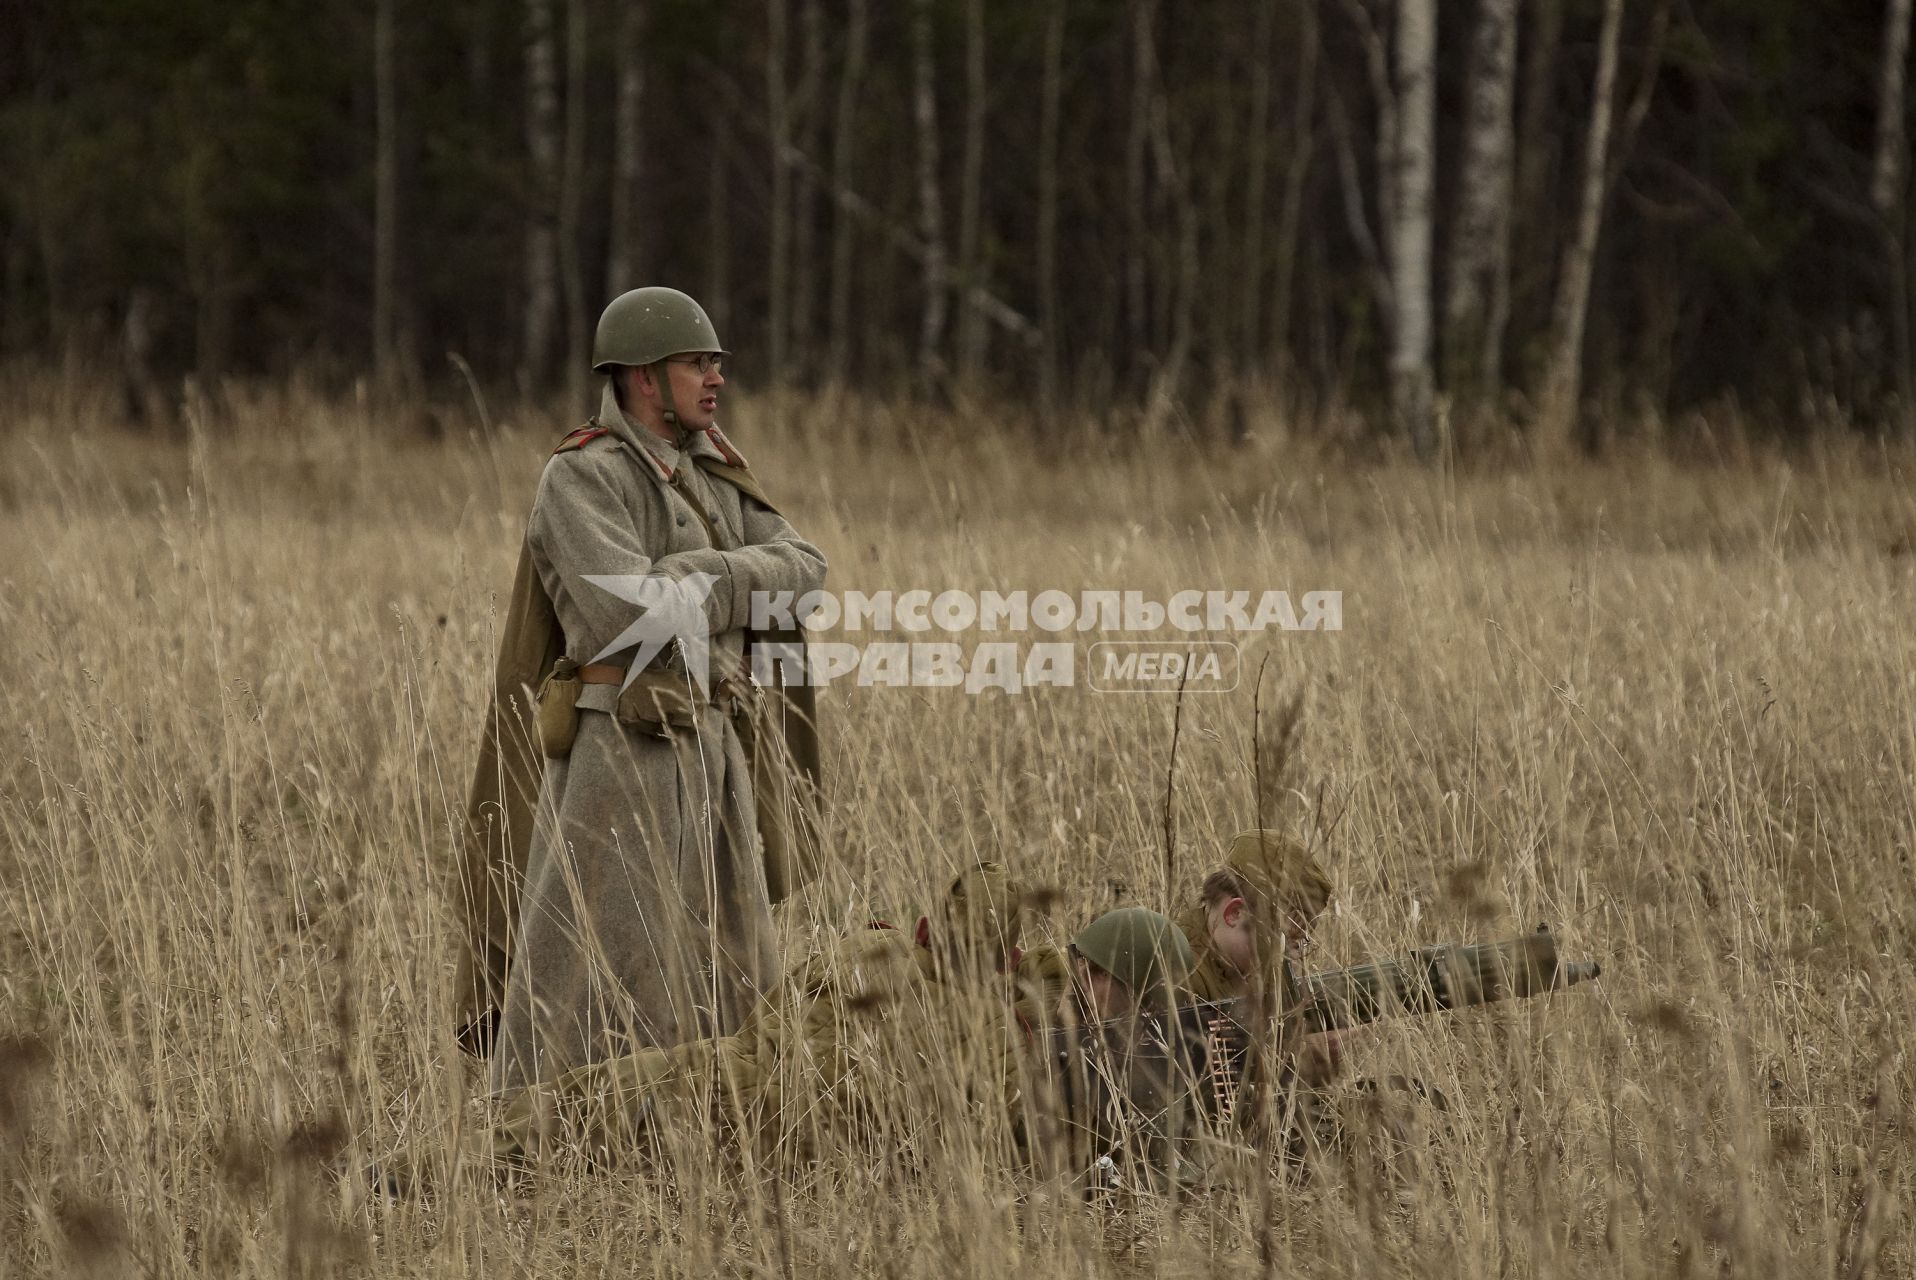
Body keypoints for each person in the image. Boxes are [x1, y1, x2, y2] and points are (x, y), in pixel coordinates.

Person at [456, 286, 829, 1093]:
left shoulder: (717, 475)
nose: (716, 378)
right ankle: (537, 1139)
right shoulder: (581, 478)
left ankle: (708, 1125)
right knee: (591, 973)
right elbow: (632, 613)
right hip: (622, 759)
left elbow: (806, 572)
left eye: (717, 363)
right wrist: (723, 587)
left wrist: (699, 572)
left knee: (732, 975)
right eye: (697, 363)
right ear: (642, 377)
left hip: (721, 750)